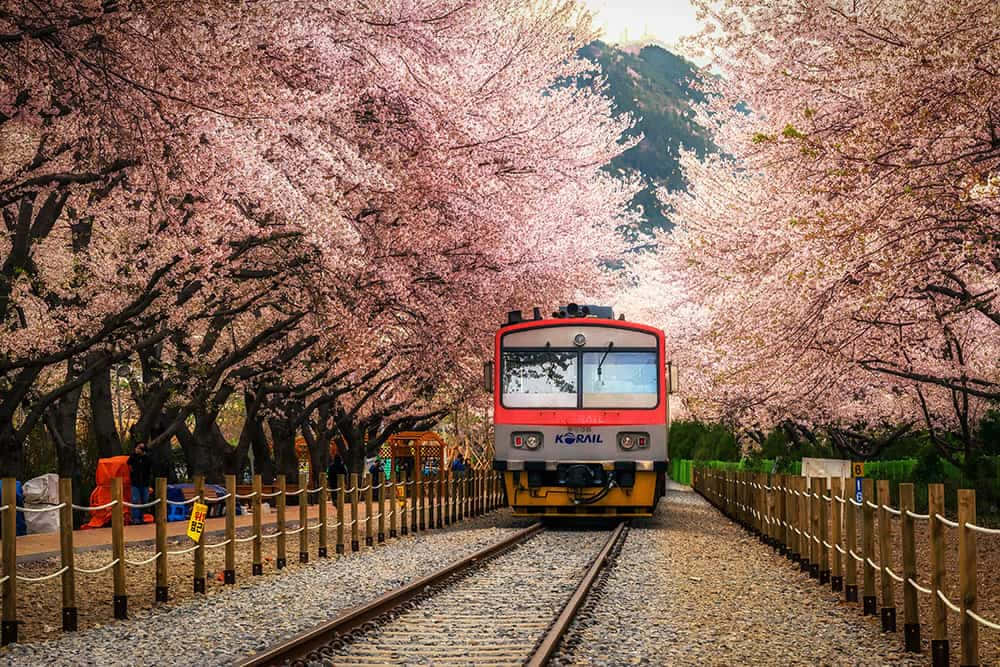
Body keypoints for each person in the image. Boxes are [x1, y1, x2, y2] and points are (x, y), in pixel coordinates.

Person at [127, 443, 152, 524]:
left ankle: (142, 517)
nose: (136, 449)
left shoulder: (147, 459)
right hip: (135, 483)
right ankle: (136, 519)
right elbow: (128, 463)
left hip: (145, 483)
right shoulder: (133, 457)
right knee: (135, 500)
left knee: (145, 500)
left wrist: (150, 484)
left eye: (138, 448)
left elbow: (150, 472)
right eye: (136, 447)